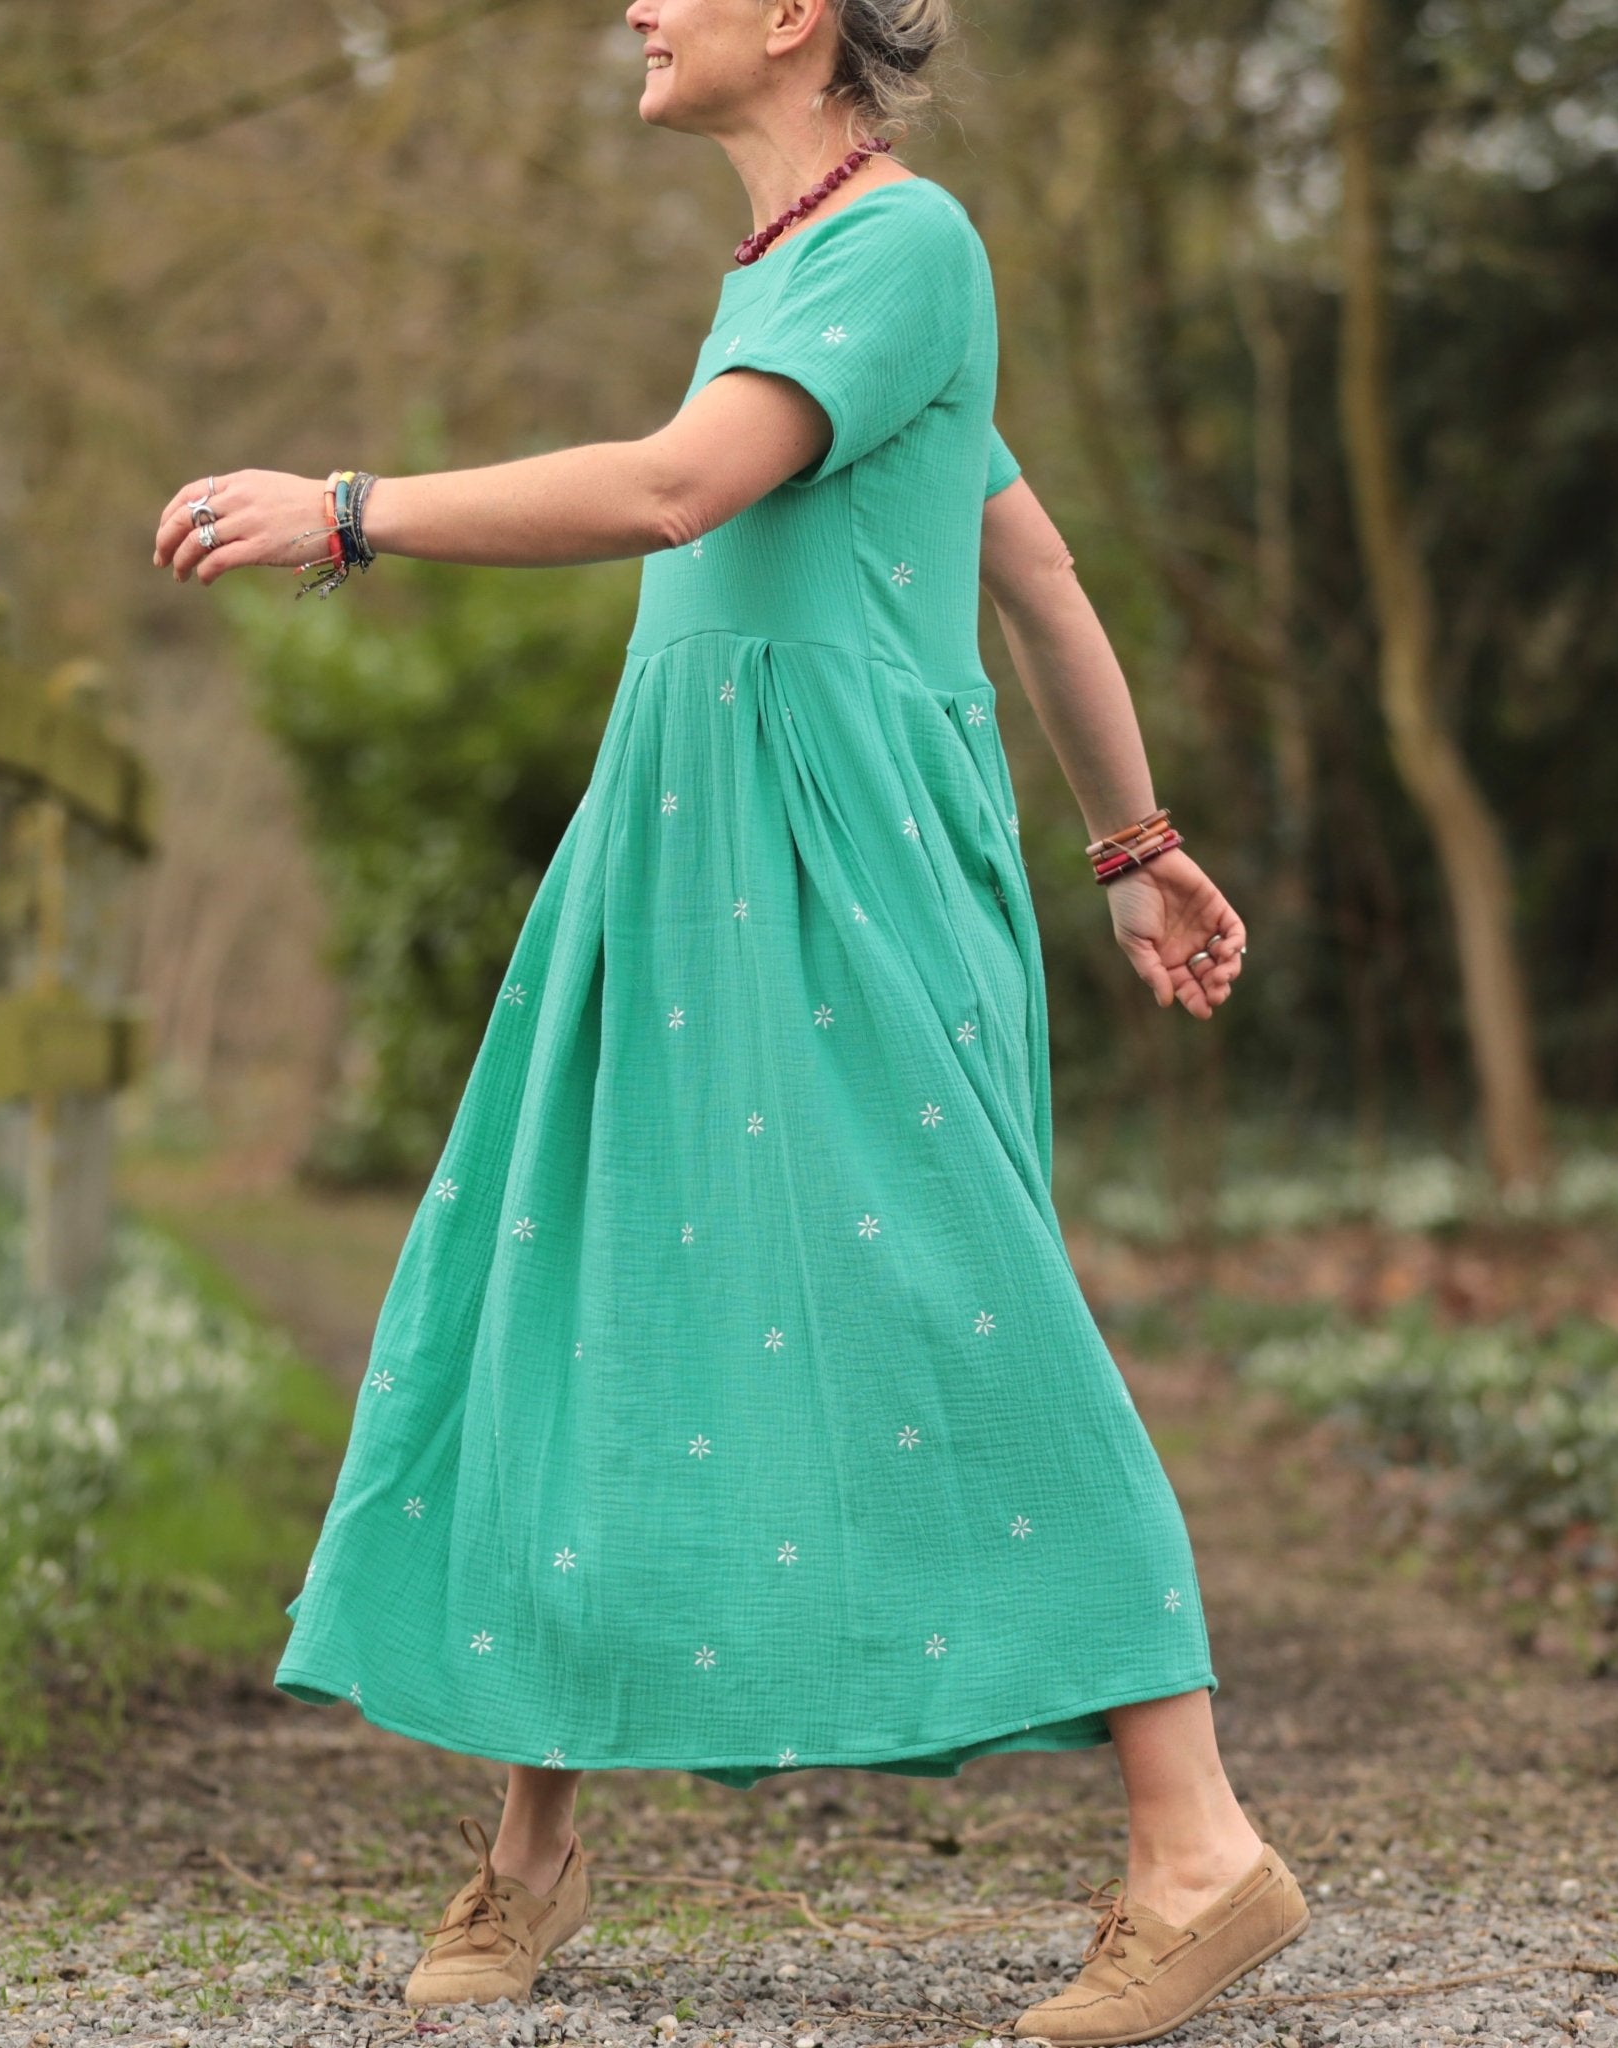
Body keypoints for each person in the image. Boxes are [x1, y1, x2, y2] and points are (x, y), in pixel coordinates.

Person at [152, 1, 1308, 2040]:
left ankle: (1198, 1846)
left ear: (792, 16)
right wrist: (1135, 845)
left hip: (838, 860)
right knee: (578, 1281)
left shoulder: (906, 245)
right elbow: (1027, 561)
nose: (634, 10)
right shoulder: (790, 272)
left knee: (964, 1299)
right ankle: (531, 1841)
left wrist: (352, 507)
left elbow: (684, 491)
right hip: (678, 848)